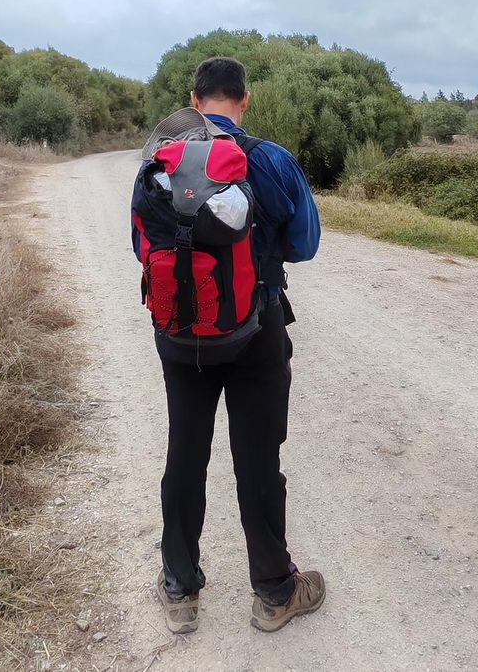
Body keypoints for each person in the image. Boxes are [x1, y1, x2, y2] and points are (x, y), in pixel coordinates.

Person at [135, 56, 326, 635]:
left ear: (194, 99)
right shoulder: (270, 159)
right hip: (257, 328)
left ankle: (180, 590)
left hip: (181, 333)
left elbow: (142, 246)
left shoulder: (159, 163)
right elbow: (307, 243)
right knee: (258, 459)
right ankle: (273, 593)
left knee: (185, 455)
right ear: (246, 100)